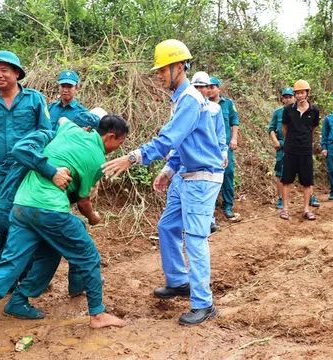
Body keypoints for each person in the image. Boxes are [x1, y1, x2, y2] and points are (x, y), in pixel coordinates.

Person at [0, 114, 128, 336]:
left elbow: (63, 121)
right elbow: (84, 202)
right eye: (119, 143)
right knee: (88, 256)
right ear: (110, 136)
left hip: (22, 205)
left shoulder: (70, 130)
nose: (118, 149)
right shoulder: (97, 159)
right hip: (49, 210)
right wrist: (93, 217)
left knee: (21, 260)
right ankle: (97, 314)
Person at [102, 39, 223, 326]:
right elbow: (183, 143)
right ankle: (180, 281)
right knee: (167, 226)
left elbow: (168, 139)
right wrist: (169, 171)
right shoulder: (181, 99)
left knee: (194, 238)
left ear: (178, 67)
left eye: (162, 70)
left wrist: (132, 158)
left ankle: (204, 304)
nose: (158, 76)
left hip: (202, 177)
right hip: (186, 174)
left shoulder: (190, 99)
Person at [0, 109, 105, 319]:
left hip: (31, 205)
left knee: (53, 248)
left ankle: (68, 285)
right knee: (12, 257)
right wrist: (53, 171)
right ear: (85, 130)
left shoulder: (66, 143)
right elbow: (22, 152)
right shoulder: (49, 139)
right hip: (20, 203)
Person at [0, 50, 51, 259]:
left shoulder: (35, 100)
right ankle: (1, 269)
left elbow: (48, 134)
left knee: (28, 219)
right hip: (0, 173)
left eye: (4, 70)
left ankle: (29, 270)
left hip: (27, 172)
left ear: (17, 73)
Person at [189, 71, 228, 232]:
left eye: (203, 87)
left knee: (208, 188)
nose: (200, 90)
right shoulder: (186, 107)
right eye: (196, 87)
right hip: (191, 156)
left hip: (210, 156)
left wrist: (223, 152)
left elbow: (220, 133)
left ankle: (209, 219)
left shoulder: (215, 109)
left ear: (208, 89)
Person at [280, 79, 320, 221]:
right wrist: (291, 140)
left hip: (306, 150)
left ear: (307, 93)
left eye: (302, 93)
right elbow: (284, 128)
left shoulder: (314, 110)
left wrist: (304, 139)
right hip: (290, 149)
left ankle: (306, 209)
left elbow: (313, 129)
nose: (299, 96)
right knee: (286, 180)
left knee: (307, 181)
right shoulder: (288, 110)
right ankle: (285, 209)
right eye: (297, 93)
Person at [208, 76, 240, 220]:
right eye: (207, 87)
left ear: (219, 88)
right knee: (209, 175)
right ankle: (211, 205)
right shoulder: (203, 104)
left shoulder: (227, 104)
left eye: (212, 87)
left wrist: (234, 139)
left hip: (225, 146)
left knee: (228, 174)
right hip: (208, 147)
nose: (210, 90)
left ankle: (227, 205)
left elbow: (235, 121)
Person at [269, 87, 295, 209]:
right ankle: (281, 198)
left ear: (294, 97)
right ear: (282, 99)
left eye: (290, 97)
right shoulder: (278, 112)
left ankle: (310, 196)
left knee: (304, 171)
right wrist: (275, 140)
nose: (288, 99)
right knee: (280, 173)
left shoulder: (299, 111)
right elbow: (271, 129)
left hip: (297, 146)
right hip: (282, 146)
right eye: (286, 97)